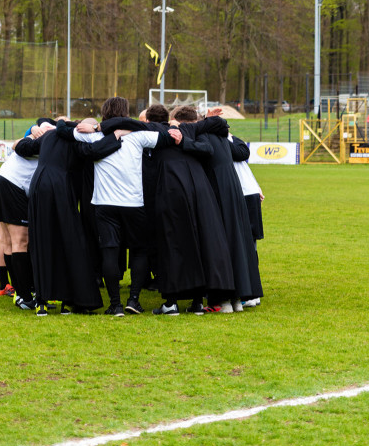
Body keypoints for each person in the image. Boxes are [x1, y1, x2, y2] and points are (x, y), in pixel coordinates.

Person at [102, 104, 233, 315]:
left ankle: (172, 302)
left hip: (170, 192)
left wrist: (99, 127)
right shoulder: (189, 129)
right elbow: (217, 126)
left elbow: (126, 123)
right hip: (195, 191)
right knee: (194, 242)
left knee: (171, 244)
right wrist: (201, 123)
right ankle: (197, 301)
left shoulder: (156, 131)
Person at [66, 97, 180, 317]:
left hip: (104, 203)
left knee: (110, 250)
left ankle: (115, 304)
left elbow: (62, 130)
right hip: (133, 203)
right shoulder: (138, 136)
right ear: (126, 113)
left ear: (104, 113)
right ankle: (134, 300)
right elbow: (168, 136)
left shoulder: (93, 135)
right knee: (139, 251)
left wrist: (92, 127)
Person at [27, 116, 122, 316]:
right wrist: (117, 138)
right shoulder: (76, 139)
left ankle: (41, 300)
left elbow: (23, 147)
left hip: (38, 185)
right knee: (70, 241)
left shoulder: (48, 136)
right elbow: (94, 152)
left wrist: (34, 129)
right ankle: (71, 300)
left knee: (42, 240)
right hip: (60, 186)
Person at [188, 106, 261, 313]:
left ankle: (221, 299)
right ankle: (238, 298)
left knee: (218, 245)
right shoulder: (223, 141)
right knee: (237, 242)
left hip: (216, 195)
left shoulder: (203, 139)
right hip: (234, 194)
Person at [0, 121, 45, 309]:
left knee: (9, 240)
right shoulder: (47, 138)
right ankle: (25, 296)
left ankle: (19, 292)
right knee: (20, 240)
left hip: (1, 180)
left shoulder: (38, 133)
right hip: (12, 185)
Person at [231, 132, 264, 308]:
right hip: (248, 192)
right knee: (250, 244)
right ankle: (251, 292)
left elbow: (241, 155)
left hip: (242, 194)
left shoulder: (225, 143)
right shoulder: (233, 141)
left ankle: (250, 292)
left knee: (246, 245)